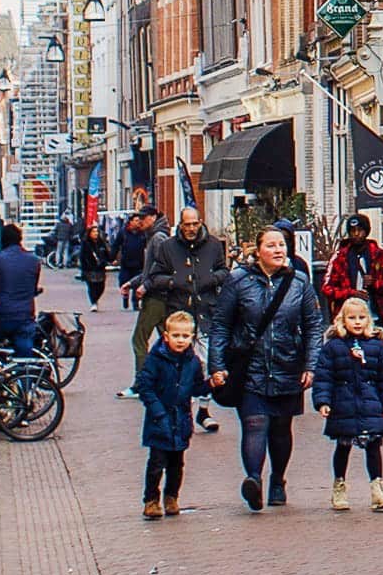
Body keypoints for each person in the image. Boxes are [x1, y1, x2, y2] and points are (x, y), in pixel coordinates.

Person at [218, 226, 322, 514]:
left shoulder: (299, 282)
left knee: (280, 428)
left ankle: (278, 479)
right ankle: (253, 479)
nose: (279, 250)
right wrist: (217, 365)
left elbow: (314, 326)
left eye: (282, 245)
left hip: (287, 364)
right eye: (272, 245)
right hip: (250, 368)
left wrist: (311, 365)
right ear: (258, 250)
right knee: (254, 424)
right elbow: (221, 324)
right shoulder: (238, 281)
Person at [313, 292, 383, 511]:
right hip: (343, 402)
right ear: (343, 320)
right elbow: (324, 377)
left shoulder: (377, 346)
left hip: (371, 402)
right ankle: (339, 486)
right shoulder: (333, 347)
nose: (357, 323)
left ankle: (377, 488)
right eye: (352, 318)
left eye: (361, 318)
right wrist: (323, 401)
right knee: (343, 446)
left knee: (374, 444)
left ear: (368, 320)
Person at [133, 304, 211, 518]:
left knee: (177, 464)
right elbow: (145, 387)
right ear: (166, 336)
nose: (180, 340)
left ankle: (171, 497)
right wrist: (157, 412)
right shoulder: (155, 359)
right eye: (176, 335)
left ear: (192, 338)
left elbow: (195, 388)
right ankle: (151, 500)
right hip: (159, 421)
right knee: (156, 463)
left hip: (181, 420)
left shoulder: (193, 362)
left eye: (185, 336)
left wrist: (211, 384)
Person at [141, 205, 226, 354]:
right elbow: (155, 276)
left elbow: (224, 271)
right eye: (187, 224)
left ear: (200, 222)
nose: (191, 228)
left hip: (206, 312)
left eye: (195, 224)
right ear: (180, 225)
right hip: (179, 313)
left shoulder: (214, 245)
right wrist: (173, 281)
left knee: (206, 364)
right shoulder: (168, 247)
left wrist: (212, 279)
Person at [0, 221, 45, 358]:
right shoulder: (34, 261)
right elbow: (32, 288)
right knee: (24, 356)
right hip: (25, 315)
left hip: (1, 314)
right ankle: (25, 377)